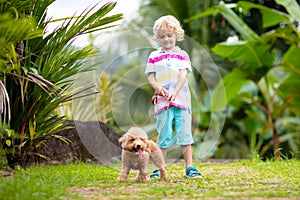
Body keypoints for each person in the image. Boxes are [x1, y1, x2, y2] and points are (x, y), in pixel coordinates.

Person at [145, 15, 202, 178]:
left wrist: (174, 92)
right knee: (164, 135)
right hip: (162, 102)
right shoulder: (153, 56)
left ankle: (190, 168)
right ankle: (160, 169)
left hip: (182, 100)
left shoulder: (182, 55)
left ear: (176, 35)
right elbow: (151, 77)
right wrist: (158, 88)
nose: (166, 39)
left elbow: (183, 75)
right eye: (162, 37)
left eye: (169, 35)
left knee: (185, 134)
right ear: (157, 38)